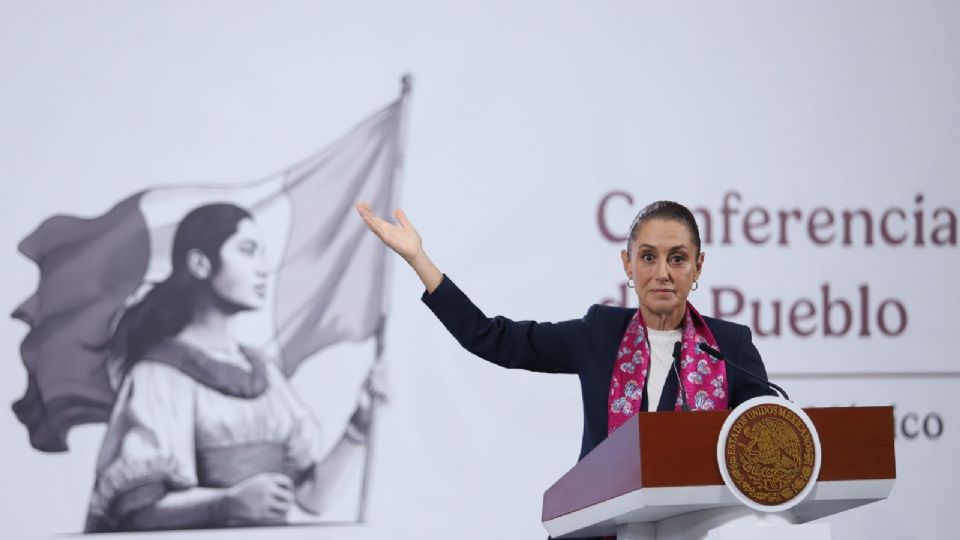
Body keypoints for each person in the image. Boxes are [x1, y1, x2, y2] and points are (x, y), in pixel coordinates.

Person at [355, 199, 775, 462]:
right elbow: (491, 337)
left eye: (677, 258)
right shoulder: (600, 333)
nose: (662, 272)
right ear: (628, 265)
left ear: (698, 266)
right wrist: (418, 259)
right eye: (648, 257)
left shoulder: (730, 346)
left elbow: (770, 437)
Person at [85, 203, 375, 533]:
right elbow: (136, 513)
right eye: (247, 251)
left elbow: (312, 497)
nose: (263, 268)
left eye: (262, 253)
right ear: (200, 263)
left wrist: (360, 424)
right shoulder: (159, 375)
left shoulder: (264, 373)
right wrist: (225, 503)